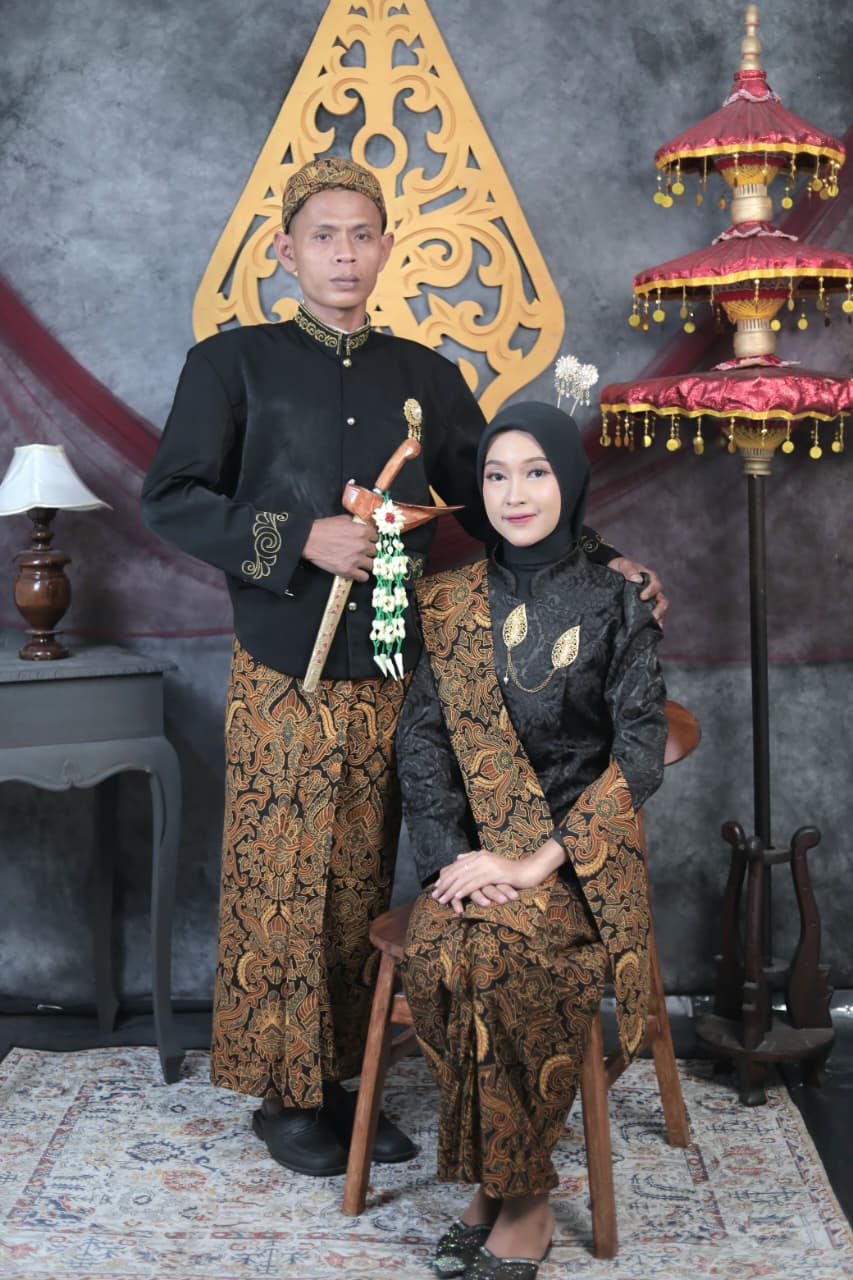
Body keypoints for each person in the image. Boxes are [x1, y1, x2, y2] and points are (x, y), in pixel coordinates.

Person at [141, 155, 666, 1179]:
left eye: (361, 235)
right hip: (285, 668)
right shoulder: (230, 364)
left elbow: (507, 497)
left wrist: (605, 561)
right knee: (285, 879)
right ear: (284, 251)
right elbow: (172, 498)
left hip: (397, 666)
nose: (343, 253)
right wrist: (298, 538)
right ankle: (289, 1095)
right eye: (322, 236)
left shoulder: (425, 375)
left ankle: (344, 1077)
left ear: (386, 248)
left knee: (359, 876)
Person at [397, 401, 667, 1278]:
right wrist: (456, 863)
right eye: (495, 475)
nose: (514, 494)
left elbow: (638, 755)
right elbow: (422, 746)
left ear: (569, 480)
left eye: (536, 472)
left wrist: (531, 863)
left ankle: (522, 1203)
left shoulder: (619, 599)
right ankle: (495, 1177)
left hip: (575, 863)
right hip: (473, 858)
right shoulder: (447, 602)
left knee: (502, 958)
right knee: (437, 954)